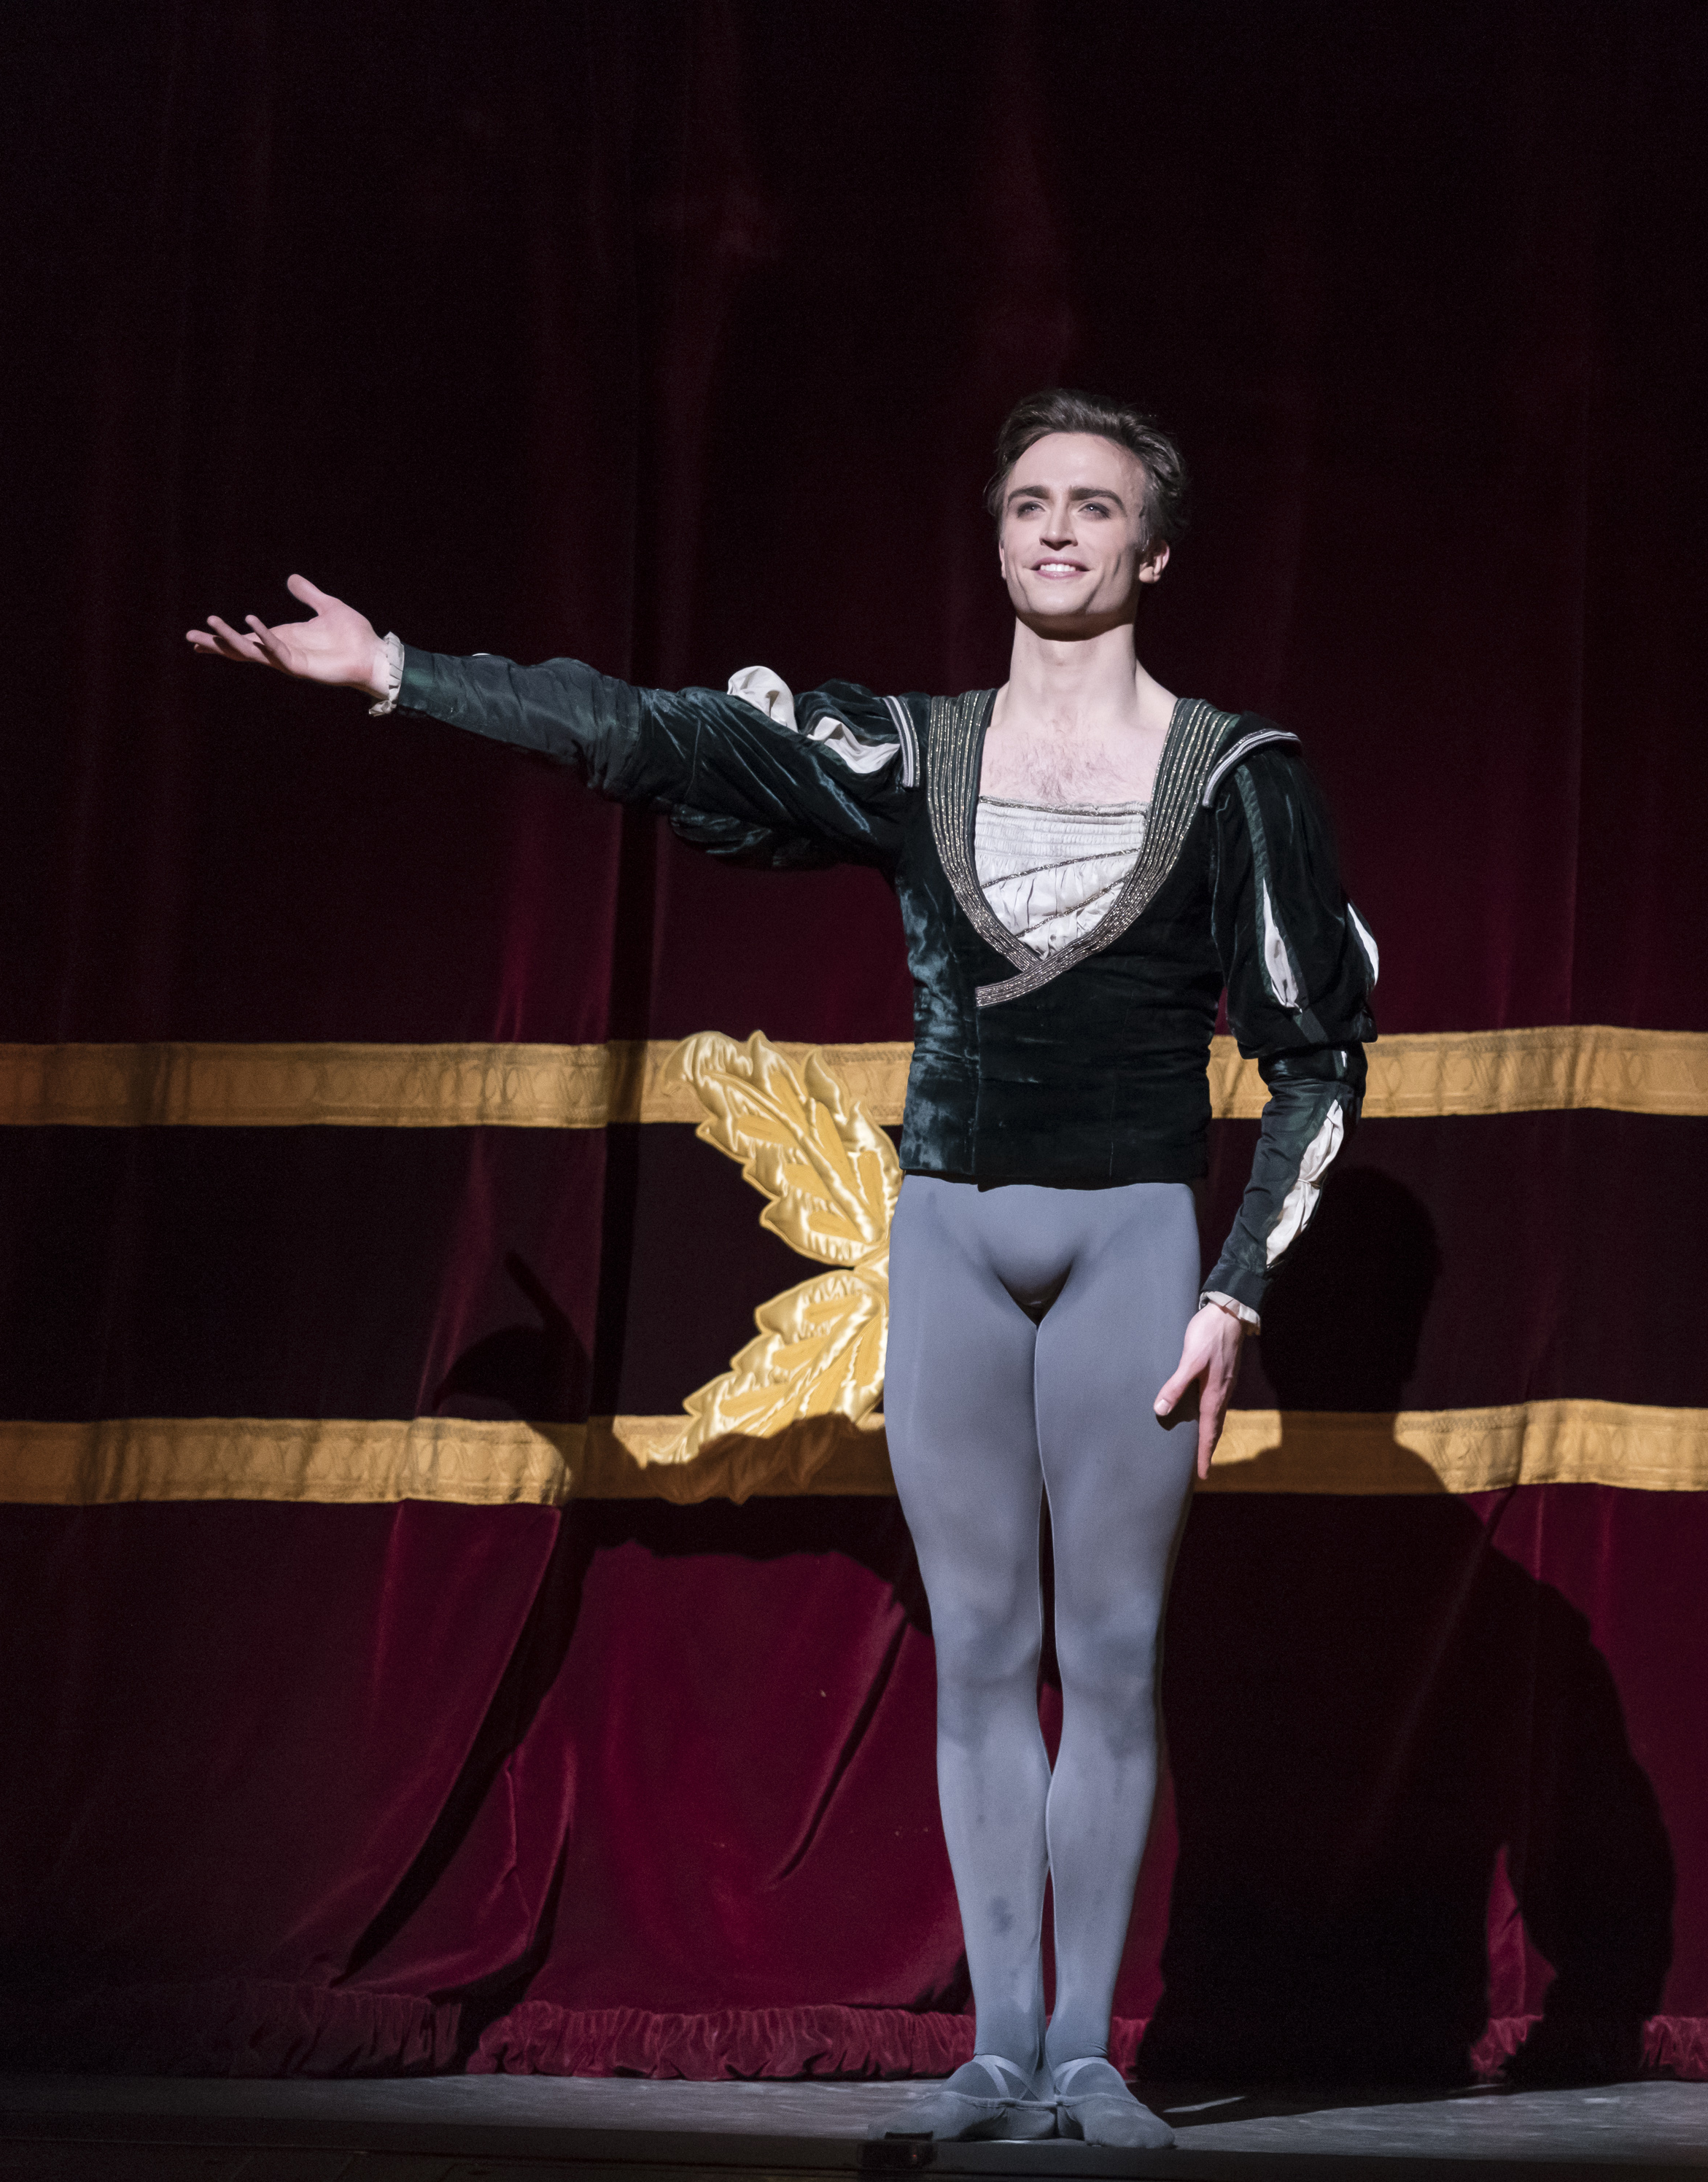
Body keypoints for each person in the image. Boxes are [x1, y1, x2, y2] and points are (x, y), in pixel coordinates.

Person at [189, 390, 1376, 2148]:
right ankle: (999, 2051)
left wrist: (1232, 1289)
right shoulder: (912, 751)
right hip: (955, 1239)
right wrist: (399, 675)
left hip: (1131, 1237)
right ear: (997, 537)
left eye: (1095, 506)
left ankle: (1093, 2064)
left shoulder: (1238, 777)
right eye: (1030, 500)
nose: (1058, 527)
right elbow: (657, 739)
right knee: (979, 1646)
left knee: (1109, 1651)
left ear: (1152, 550)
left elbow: (1319, 1053)